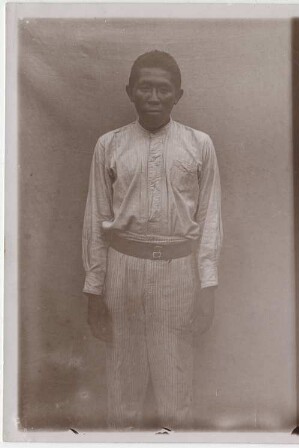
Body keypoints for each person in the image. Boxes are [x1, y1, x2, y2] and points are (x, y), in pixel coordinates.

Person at [82, 50, 222, 429]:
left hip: (178, 274)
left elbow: (209, 221)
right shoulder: (109, 145)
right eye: (145, 88)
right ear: (130, 92)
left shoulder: (199, 145)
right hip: (122, 272)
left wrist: (207, 287)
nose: (154, 97)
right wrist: (94, 292)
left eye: (164, 89)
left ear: (179, 94)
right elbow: (96, 221)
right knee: (123, 389)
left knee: (175, 391)